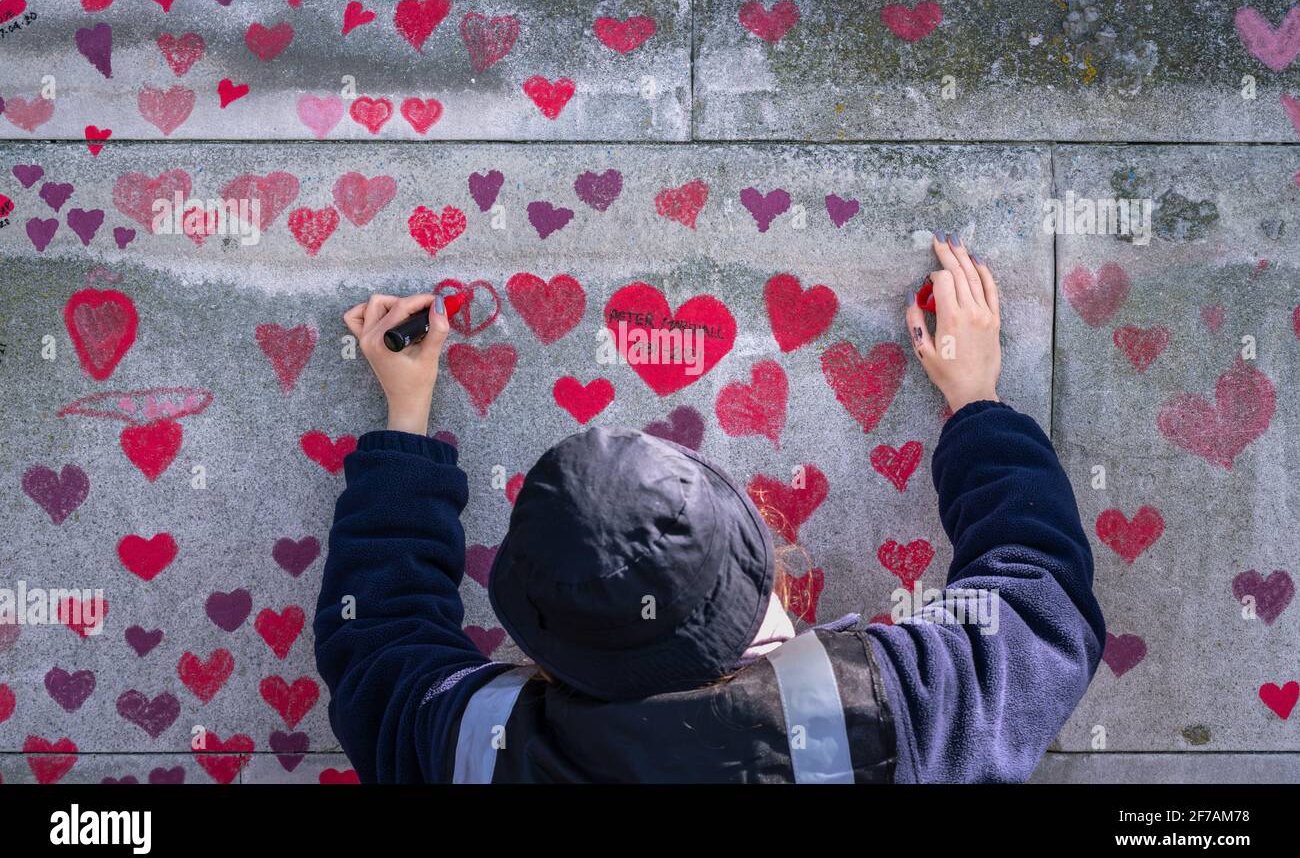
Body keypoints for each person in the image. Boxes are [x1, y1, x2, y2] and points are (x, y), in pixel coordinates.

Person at [314, 235, 1105, 783]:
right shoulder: (883, 716)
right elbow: (1040, 608)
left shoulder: (469, 749)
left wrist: (405, 422)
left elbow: (376, 638)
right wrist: (979, 402)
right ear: (753, 573)